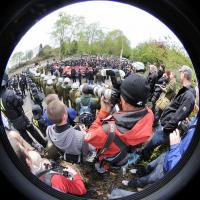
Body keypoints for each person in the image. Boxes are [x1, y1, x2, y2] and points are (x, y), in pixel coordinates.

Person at [84, 74, 154, 172]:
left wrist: (103, 112)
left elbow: (88, 137)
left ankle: (103, 168)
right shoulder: (149, 114)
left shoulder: (106, 130)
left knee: (101, 165)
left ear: (124, 101)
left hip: (110, 155)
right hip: (124, 153)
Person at [122, 116, 197, 189]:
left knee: (148, 179)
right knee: (151, 165)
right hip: (169, 152)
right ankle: (139, 172)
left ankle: (132, 184)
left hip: (171, 164)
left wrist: (174, 147)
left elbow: (176, 166)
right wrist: (189, 126)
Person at [142, 65, 196, 160]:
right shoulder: (185, 91)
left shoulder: (189, 95)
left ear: (184, 75)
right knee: (152, 141)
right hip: (166, 123)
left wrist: (166, 128)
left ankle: (142, 161)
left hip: (169, 128)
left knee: (152, 143)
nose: (180, 74)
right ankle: (144, 158)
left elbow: (178, 115)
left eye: (181, 73)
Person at [1, 73, 46, 148]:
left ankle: (36, 147)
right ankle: (44, 144)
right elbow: (20, 102)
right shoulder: (9, 94)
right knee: (33, 131)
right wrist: (18, 96)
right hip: (21, 118)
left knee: (25, 135)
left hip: (13, 121)